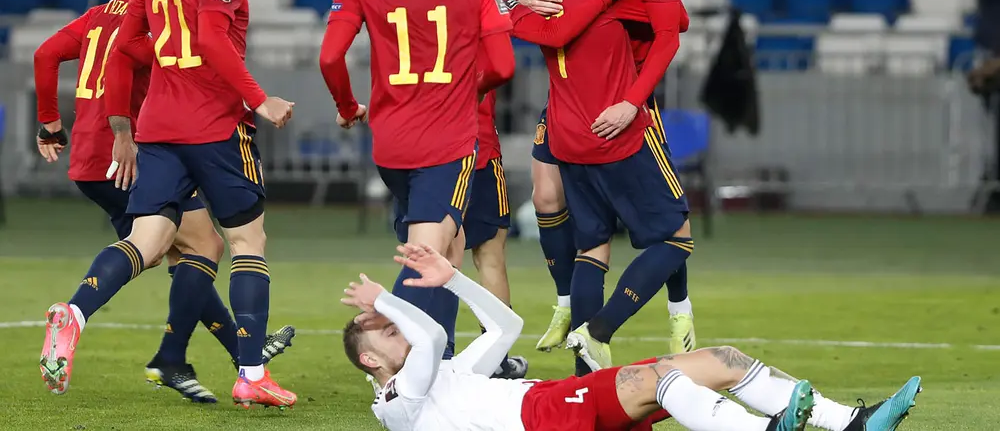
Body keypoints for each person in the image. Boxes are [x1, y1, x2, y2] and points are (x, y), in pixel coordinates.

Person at [39, 0, 297, 408]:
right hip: (214, 126)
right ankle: (251, 375)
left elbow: (125, 51)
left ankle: (75, 312)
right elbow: (209, 38)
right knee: (248, 241)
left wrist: (124, 128)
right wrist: (260, 99)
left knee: (148, 240)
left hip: (158, 128)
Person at [342, 242, 922, 431]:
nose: (403, 329)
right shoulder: (397, 405)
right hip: (541, 418)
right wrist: (385, 301)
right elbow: (428, 340)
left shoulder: (444, 374)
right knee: (662, 379)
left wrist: (456, 279)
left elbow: (507, 327)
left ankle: (851, 422)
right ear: (371, 358)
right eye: (388, 331)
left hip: (552, 405)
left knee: (721, 358)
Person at [319, 0, 516, 361]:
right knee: (428, 255)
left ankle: (442, 356)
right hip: (444, 143)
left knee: (448, 246)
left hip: (390, 144)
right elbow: (504, 65)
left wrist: (348, 108)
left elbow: (329, 57)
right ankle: (391, 362)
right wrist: (462, 90)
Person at [510, 0, 694, 360]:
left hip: (623, 100)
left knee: (640, 227)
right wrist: (522, 0)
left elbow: (673, 30)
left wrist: (634, 101)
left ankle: (678, 313)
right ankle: (578, 319)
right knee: (554, 203)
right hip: (578, 105)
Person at [436, 0, 527, 380]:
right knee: (488, 255)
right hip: (479, 146)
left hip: (428, 147)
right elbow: (503, 14)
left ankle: (439, 355)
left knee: (434, 254)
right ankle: (496, 359)